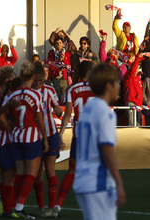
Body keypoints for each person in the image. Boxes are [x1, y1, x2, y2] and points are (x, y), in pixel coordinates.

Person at [73, 63, 126, 220]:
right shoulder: (105, 112)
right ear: (108, 86)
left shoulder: (88, 109)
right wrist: (119, 184)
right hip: (98, 182)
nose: (119, 87)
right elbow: (107, 150)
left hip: (82, 180)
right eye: (117, 83)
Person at [0, 61, 49, 218]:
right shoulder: (35, 94)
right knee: (31, 174)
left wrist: (11, 130)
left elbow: (2, 115)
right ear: (33, 76)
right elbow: (40, 119)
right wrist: (45, 139)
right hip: (31, 137)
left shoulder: (12, 95)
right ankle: (19, 208)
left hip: (16, 137)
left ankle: (13, 207)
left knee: (19, 173)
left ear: (21, 76)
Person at [53, 61, 94, 217]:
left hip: (79, 136)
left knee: (72, 171)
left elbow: (67, 114)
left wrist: (61, 133)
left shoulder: (72, 89)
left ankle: (58, 205)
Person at [30, 62, 62, 217]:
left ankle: (51, 206)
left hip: (50, 133)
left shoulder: (49, 89)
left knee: (50, 170)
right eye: (35, 80)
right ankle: (41, 207)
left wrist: (58, 110)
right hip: (34, 135)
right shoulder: (27, 91)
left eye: (40, 81)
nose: (38, 84)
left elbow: (58, 108)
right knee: (37, 172)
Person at [0, 66, 19, 218]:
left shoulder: (4, 96)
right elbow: (0, 117)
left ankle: (6, 206)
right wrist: (12, 131)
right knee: (9, 175)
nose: (14, 84)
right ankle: (9, 209)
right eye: (11, 81)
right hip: (3, 140)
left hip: (2, 140)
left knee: (7, 176)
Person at [48, 36, 71, 101]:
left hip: (64, 77)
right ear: (54, 44)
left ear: (63, 44)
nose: (59, 45)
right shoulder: (51, 53)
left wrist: (63, 59)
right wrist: (59, 62)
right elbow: (50, 64)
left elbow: (69, 64)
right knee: (56, 94)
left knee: (64, 94)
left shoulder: (67, 53)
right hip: (55, 76)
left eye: (60, 43)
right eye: (57, 43)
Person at [124, 53, 143, 126]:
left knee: (138, 124)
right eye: (136, 67)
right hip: (131, 102)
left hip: (138, 104)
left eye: (138, 68)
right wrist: (138, 58)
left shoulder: (138, 78)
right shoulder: (129, 76)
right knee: (132, 124)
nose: (137, 69)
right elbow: (132, 69)